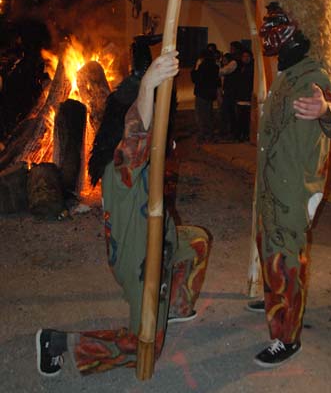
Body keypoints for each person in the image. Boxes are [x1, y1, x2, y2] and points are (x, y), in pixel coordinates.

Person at [36, 50, 211, 377]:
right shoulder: (122, 169)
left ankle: (174, 306)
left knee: (197, 241)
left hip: (163, 242)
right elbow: (135, 135)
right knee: (146, 348)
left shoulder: (144, 162)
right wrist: (147, 87)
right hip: (142, 264)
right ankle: (57, 343)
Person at [245, 0, 331, 367]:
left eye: (277, 22)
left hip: (293, 190)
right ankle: (276, 299)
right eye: (268, 21)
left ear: (302, 26)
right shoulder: (287, 74)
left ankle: (286, 337)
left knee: (286, 257)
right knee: (270, 250)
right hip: (271, 187)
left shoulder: (312, 75)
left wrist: (325, 110)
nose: (267, 30)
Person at [191, 50, 219, 143]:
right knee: (208, 114)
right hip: (210, 93)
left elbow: (195, 79)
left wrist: (196, 67)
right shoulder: (215, 67)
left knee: (201, 115)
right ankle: (210, 134)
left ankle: (203, 134)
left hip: (201, 93)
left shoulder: (202, 67)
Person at [234, 49, 255, 141]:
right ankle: (240, 135)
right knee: (240, 117)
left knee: (246, 117)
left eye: (247, 56)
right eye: (244, 56)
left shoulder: (252, 68)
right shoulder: (240, 68)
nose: (245, 58)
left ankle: (246, 135)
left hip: (248, 96)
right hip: (240, 96)